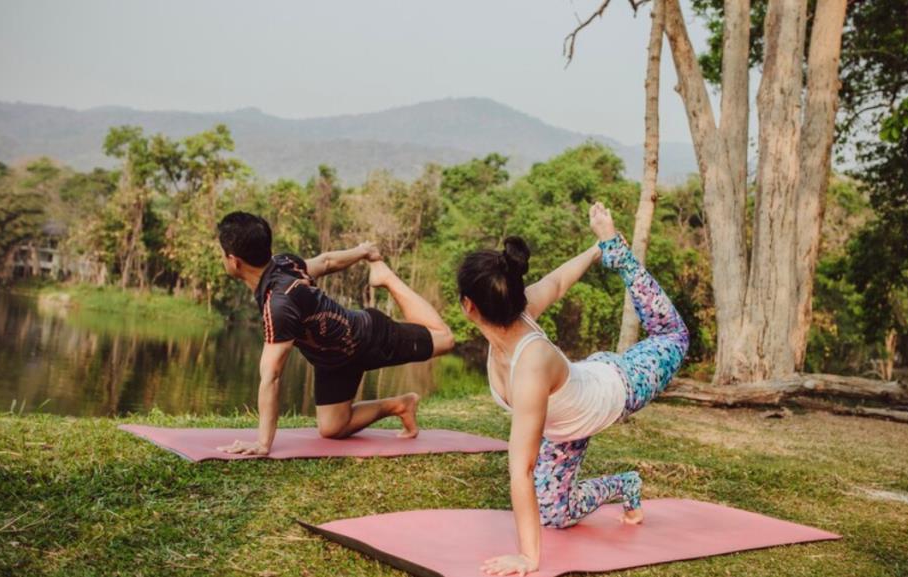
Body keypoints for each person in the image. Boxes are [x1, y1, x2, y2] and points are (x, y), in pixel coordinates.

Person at [457, 203, 689, 576]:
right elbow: (559, 281)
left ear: (468, 306)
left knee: (673, 335)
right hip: (569, 420)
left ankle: (622, 256)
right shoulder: (514, 311)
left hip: (622, 384)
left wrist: (528, 558)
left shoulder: (529, 362)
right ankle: (625, 484)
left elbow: (522, 468)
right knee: (554, 515)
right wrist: (594, 249)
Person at [215, 211, 454, 455]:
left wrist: (263, 444)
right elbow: (326, 262)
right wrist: (361, 251)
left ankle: (387, 278)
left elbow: (272, 377)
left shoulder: (278, 304)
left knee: (446, 340)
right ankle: (401, 405)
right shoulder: (284, 263)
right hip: (332, 363)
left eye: (222, 253)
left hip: (370, 337)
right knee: (332, 428)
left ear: (234, 260)